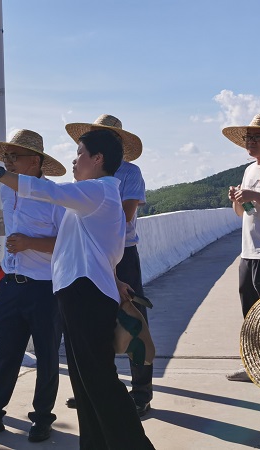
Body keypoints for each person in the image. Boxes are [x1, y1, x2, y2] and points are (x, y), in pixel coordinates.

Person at [0, 129, 155, 449]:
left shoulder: (98, 190)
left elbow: (47, 191)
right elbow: (98, 247)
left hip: (87, 296)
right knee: (86, 383)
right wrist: (115, 279)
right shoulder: (95, 198)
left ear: (97, 159)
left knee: (100, 382)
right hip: (80, 293)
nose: (74, 161)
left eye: (79, 154)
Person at [0, 130, 66, 443]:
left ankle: (42, 419)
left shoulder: (55, 197)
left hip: (45, 289)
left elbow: (68, 244)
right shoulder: (7, 191)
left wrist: (31, 243)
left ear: (36, 161)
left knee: (47, 357)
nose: (8, 162)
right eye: (6, 157)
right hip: (12, 286)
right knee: (5, 355)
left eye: (14, 156)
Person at [64, 114, 152, 416]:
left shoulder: (130, 173)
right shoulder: (86, 176)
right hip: (91, 256)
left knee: (132, 319)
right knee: (95, 324)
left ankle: (141, 392)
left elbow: (125, 214)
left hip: (122, 253)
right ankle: (96, 388)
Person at [223, 113, 260, 383]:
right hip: (248, 253)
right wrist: (237, 199)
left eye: (256, 137)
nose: (250, 142)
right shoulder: (250, 170)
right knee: (250, 315)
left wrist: (254, 195)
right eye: (248, 137)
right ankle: (254, 365)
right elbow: (242, 213)